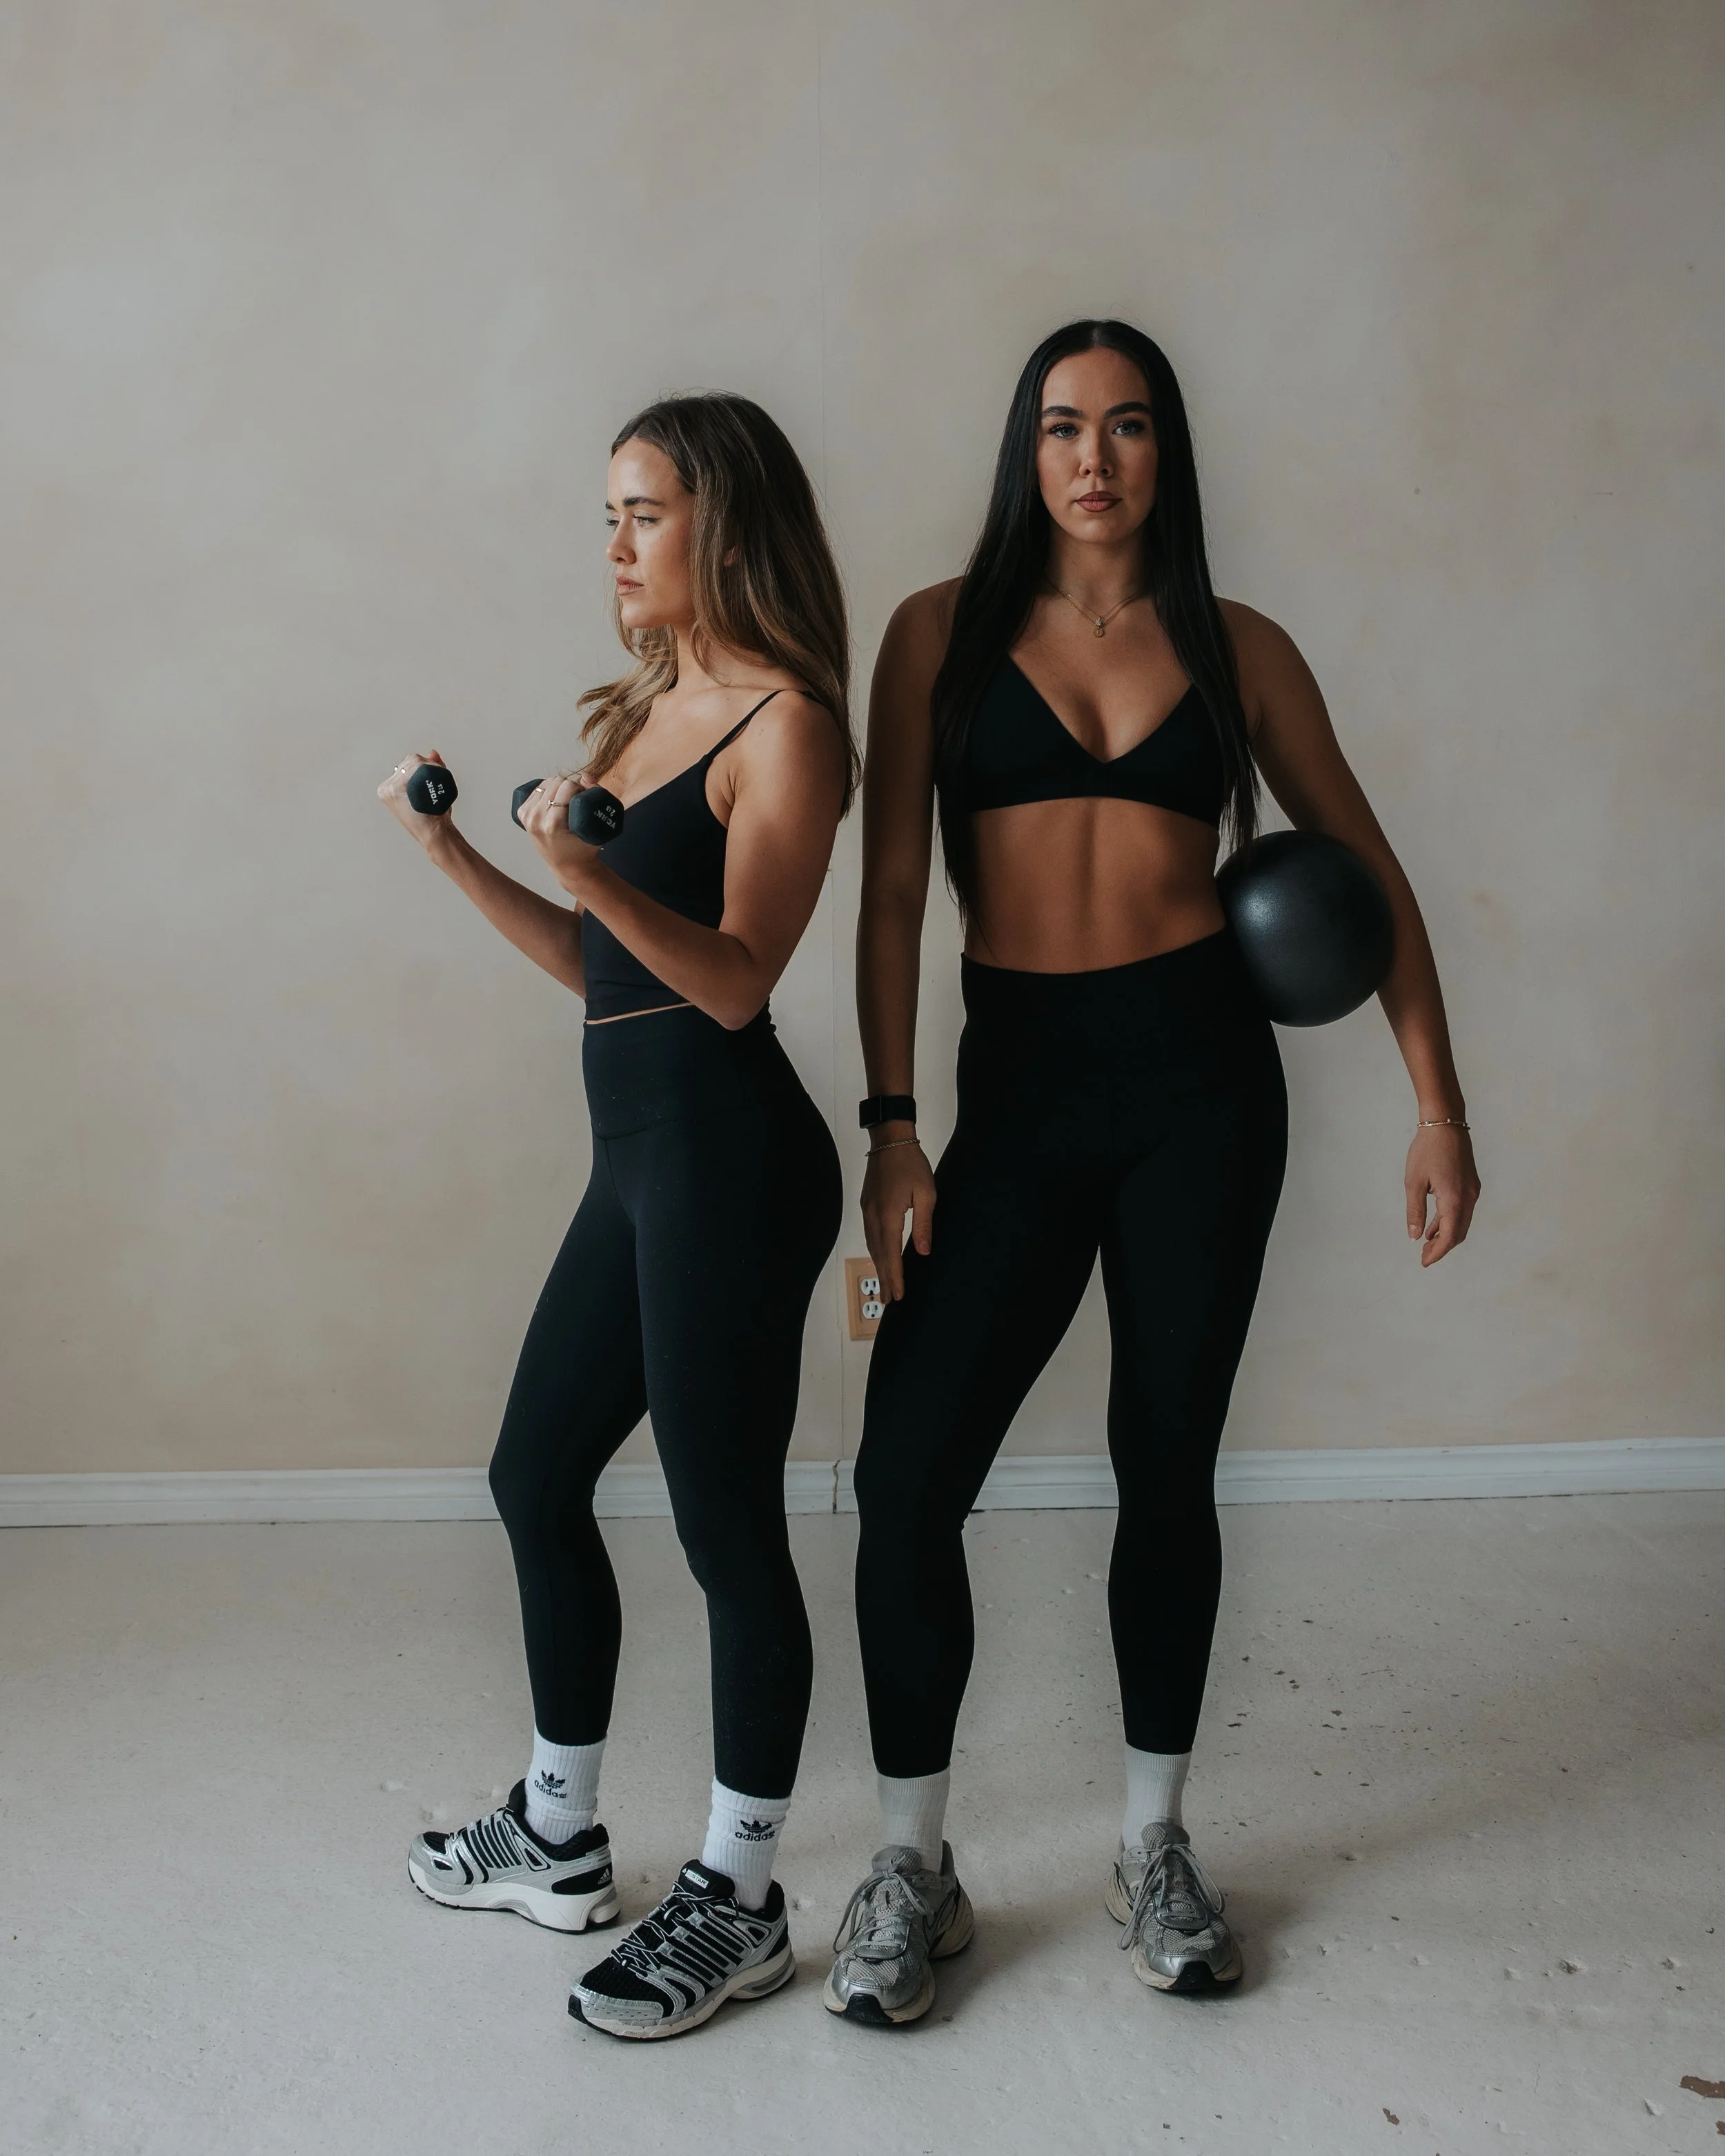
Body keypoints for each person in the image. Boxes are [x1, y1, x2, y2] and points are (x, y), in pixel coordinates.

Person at [827, 319, 1480, 2024]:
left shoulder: (1236, 645)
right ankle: (914, 1859)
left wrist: (1435, 1105)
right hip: (1017, 1093)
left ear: (1164, 451)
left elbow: (1370, 874)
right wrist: (891, 1121)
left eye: (1123, 426)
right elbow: (892, 891)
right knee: (905, 1480)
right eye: (1058, 425)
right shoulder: (934, 635)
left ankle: (1152, 1839)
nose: (1091, 456)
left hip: (1201, 1091)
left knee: (1164, 1464)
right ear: (1021, 450)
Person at [378, 392, 854, 2041]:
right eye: (608, 515)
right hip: (637, 1155)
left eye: (640, 513)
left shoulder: (790, 725)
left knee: (726, 1532)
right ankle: (560, 1829)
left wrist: (588, 870)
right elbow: (601, 970)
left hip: (732, 1160)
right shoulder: (646, 713)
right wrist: (454, 854)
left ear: (723, 523)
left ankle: (740, 1895)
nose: (614, 546)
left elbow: (730, 981)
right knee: (531, 1472)